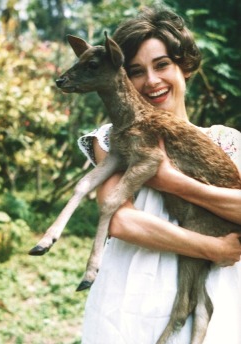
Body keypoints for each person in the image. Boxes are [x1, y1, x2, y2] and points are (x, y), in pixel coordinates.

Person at [78, 6, 241, 344]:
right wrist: (214, 247)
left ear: (185, 67)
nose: (151, 81)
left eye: (162, 64)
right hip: (129, 298)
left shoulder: (227, 141)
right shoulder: (113, 138)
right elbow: (121, 221)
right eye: (136, 71)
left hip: (216, 297)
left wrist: (171, 181)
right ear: (123, 78)